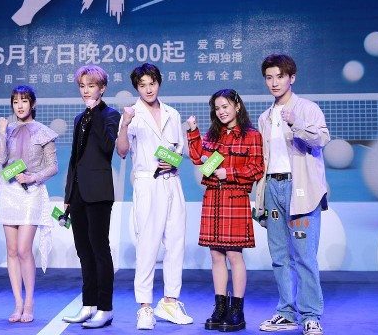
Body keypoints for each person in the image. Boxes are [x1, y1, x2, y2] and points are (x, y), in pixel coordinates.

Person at [255, 54, 329, 335]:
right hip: (273, 189)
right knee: (279, 256)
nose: (274, 82)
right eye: (269, 77)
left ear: (291, 78)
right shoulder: (265, 117)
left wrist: (297, 122)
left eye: (280, 77)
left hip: (301, 191)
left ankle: (311, 315)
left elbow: (321, 139)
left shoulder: (307, 109)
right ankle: (286, 312)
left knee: (305, 256)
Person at [116, 63, 193, 330]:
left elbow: (179, 152)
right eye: (142, 85)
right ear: (136, 88)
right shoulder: (131, 114)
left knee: (176, 244)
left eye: (152, 83)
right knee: (147, 246)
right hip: (147, 183)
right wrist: (125, 125)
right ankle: (145, 307)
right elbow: (122, 151)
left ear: (159, 83)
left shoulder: (172, 113)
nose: (148, 89)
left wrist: (173, 162)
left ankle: (170, 302)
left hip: (173, 182)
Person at [186, 89, 264, 332]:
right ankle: (220, 308)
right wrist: (193, 131)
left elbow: (257, 168)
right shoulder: (212, 135)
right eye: (217, 108)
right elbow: (197, 158)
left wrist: (228, 173)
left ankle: (237, 310)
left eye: (225, 106)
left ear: (237, 106)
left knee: (234, 255)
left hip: (235, 197)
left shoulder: (252, 136)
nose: (221, 111)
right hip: (213, 199)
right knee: (216, 255)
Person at [0, 85, 58, 324]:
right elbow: (0, 160)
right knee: (11, 251)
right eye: (16, 101)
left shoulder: (43, 132)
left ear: (33, 104)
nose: (19, 106)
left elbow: (53, 166)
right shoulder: (5, 130)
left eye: (24, 101)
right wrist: (2, 132)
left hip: (31, 193)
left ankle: (29, 301)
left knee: (23, 249)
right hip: (8, 191)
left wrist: (33, 177)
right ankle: (18, 303)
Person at [61, 65, 121, 329]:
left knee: (99, 250)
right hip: (78, 194)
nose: (86, 91)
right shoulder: (79, 118)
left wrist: (94, 111)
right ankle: (89, 305)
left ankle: (105, 309)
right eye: (82, 86)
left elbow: (108, 147)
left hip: (99, 192)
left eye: (91, 86)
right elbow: (74, 159)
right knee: (83, 251)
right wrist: (68, 194)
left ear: (102, 88)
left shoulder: (110, 114)